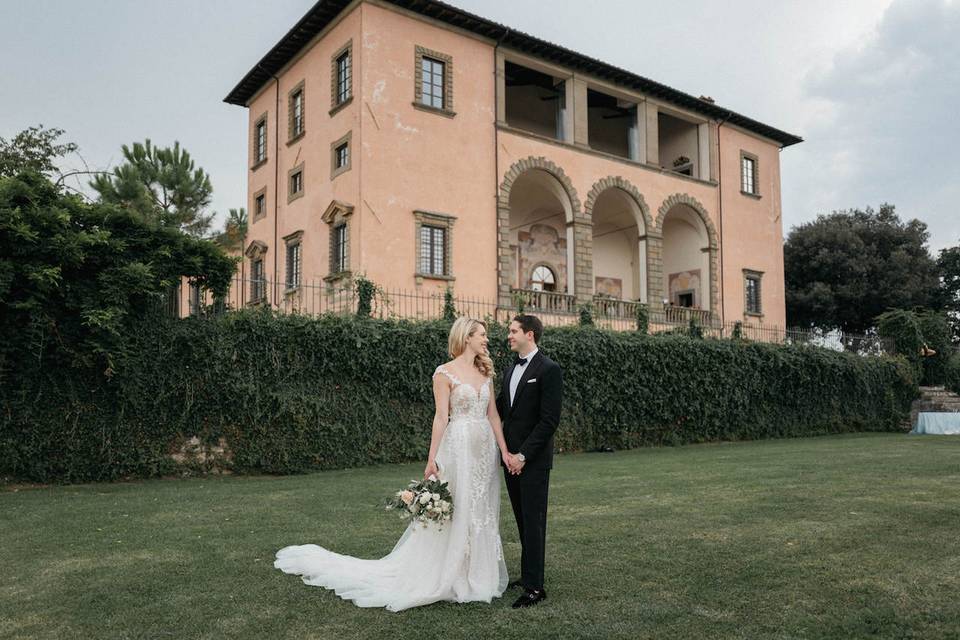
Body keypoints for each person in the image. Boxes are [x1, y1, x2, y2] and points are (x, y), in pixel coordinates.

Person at [274, 317, 512, 611]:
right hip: (458, 448)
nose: (486, 340)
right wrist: (431, 459)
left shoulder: (485, 372)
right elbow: (440, 418)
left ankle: (479, 574)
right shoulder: (444, 373)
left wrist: (503, 450)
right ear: (466, 337)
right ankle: (453, 573)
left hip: (484, 451)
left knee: (481, 509)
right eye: (482, 335)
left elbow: (493, 417)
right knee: (460, 508)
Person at [496, 314, 563, 608]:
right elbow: (501, 411)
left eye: (513, 331)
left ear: (530, 334)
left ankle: (535, 588)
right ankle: (527, 575)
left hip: (532, 462)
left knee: (534, 523)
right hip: (510, 460)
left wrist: (523, 455)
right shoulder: (510, 368)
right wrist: (507, 454)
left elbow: (549, 421)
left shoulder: (549, 369)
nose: (509, 335)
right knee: (523, 520)